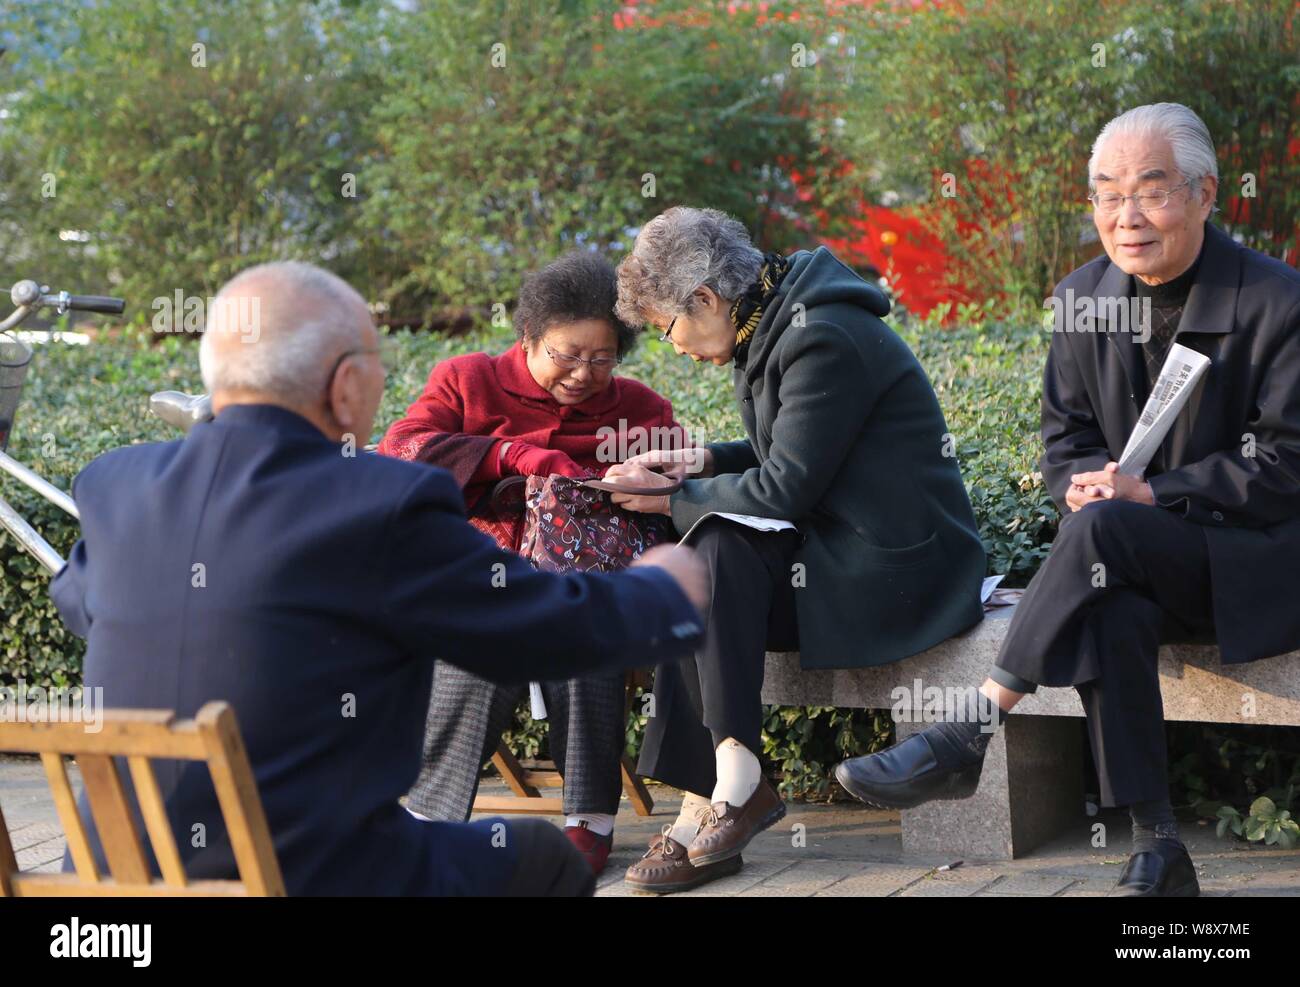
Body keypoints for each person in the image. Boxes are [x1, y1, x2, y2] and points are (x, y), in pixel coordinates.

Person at [50, 260, 708, 896]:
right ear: (345, 384)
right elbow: (537, 624)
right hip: (314, 875)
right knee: (543, 860)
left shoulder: (117, 486)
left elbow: (82, 604)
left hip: (113, 877)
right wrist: (665, 590)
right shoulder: (377, 500)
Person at [836, 103, 1300, 897]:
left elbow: (1289, 460)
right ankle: (1158, 846)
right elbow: (1066, 442)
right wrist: (1084, 485)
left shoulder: (1277, 299)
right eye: (1106, 194)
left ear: (1204, 193)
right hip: (1128, 558)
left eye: (1150, 191)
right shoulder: (1081, 299)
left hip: (1255, 562)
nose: (1127, 216)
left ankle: (969, 732)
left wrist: (1152, 491)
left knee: (1108, 534)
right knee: (1106, 594)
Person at [606, 206, 986, 893]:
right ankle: (718, 789)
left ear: (705, 299)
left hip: (895, 566)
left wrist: (669, 501)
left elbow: (782, 487)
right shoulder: (769, 319)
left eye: (668, 326)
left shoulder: (823, 334)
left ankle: (729, 789)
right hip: (834, 550)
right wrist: (691, 464)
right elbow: (787, 450)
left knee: (710, 539)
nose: (674, 345)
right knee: (691, 566)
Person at [380, 251, 687, 874]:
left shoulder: (639, 408)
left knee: (582, 622)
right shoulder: (468, 379)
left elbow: (676, 487)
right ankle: (429, 820)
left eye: (601, 360)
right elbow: (404, 451)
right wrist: (510, 456)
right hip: (479, 572)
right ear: (529, 337)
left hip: (587, 577)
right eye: (566, 355)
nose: (582, 374)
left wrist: (645, 482)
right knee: (483, 637)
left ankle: (588, 820)